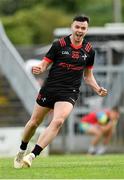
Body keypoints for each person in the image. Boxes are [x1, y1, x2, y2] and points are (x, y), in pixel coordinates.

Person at [14, 15, 108, 168]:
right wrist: (39, 68)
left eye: (83, 28)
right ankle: (21, 150)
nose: (79, 30)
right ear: (72, 27)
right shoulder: (59, 45)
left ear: (86, 30)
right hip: (50, 88)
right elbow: (44, 65)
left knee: (58, 121)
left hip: (69, 92)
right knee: (34, 123)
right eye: (77, 27)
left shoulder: (89, 51)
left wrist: (97, 88)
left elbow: (88, 76)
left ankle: (32, 155)